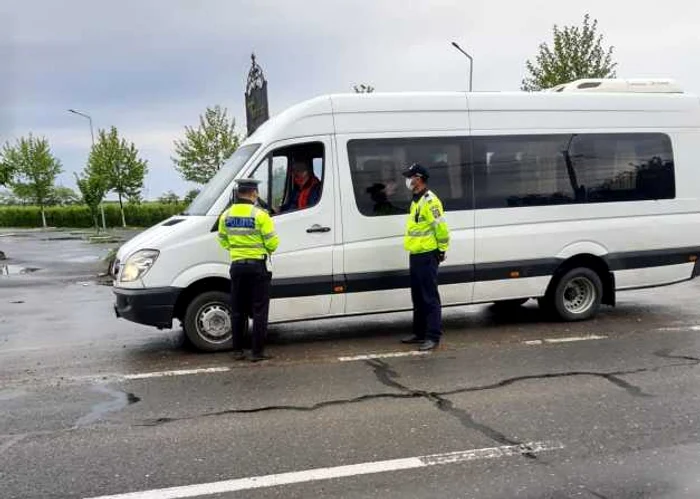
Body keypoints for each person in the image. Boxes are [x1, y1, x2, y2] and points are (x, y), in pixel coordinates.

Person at [218, 179, 280, 362]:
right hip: (257, 267)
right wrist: (261, 249)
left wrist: (237, 250)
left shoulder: (226, 215)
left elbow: (222, 239)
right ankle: (257, 352)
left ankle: (237, 351)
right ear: (253, 193)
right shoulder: (260, 215)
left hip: (237, 266)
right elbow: (272, 243)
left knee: (237, 310)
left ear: (238, 193)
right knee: (259, 310)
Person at [400, 163, 450, 351]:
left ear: (418, 179)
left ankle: (433, 336)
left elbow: (442, 228)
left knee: (430, 298)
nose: (408, 180)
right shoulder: (416, 200)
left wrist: (441, 250)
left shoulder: (431, 201)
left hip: (428, 255)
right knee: (418, 297)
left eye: (410, 177)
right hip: (416, 254)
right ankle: (420, 333)